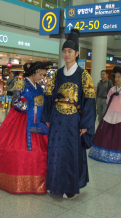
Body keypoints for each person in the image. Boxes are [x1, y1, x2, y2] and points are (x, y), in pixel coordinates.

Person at [41, 29, 96, 199]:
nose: (66, 54)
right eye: (64, 51)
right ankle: (54, 183)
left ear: (77, 53)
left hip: (74, 120)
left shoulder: (84, 75)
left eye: (70, 51)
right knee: (55, 151)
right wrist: (47, 117)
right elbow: (49, 95)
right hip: (57, 119)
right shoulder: (57, 74)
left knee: (71, 152)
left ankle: (70, 187)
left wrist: (86, 124)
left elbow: (89, 100)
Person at [0, 61, 52, 194]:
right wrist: (30, 108)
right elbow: (15, 102)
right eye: (40, 74)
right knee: (18, 147)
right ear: (34, 73)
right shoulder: (21, 84)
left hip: (37, 120)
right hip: (21, 119)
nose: (42, 77)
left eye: (43, 74)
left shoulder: (39, 86)